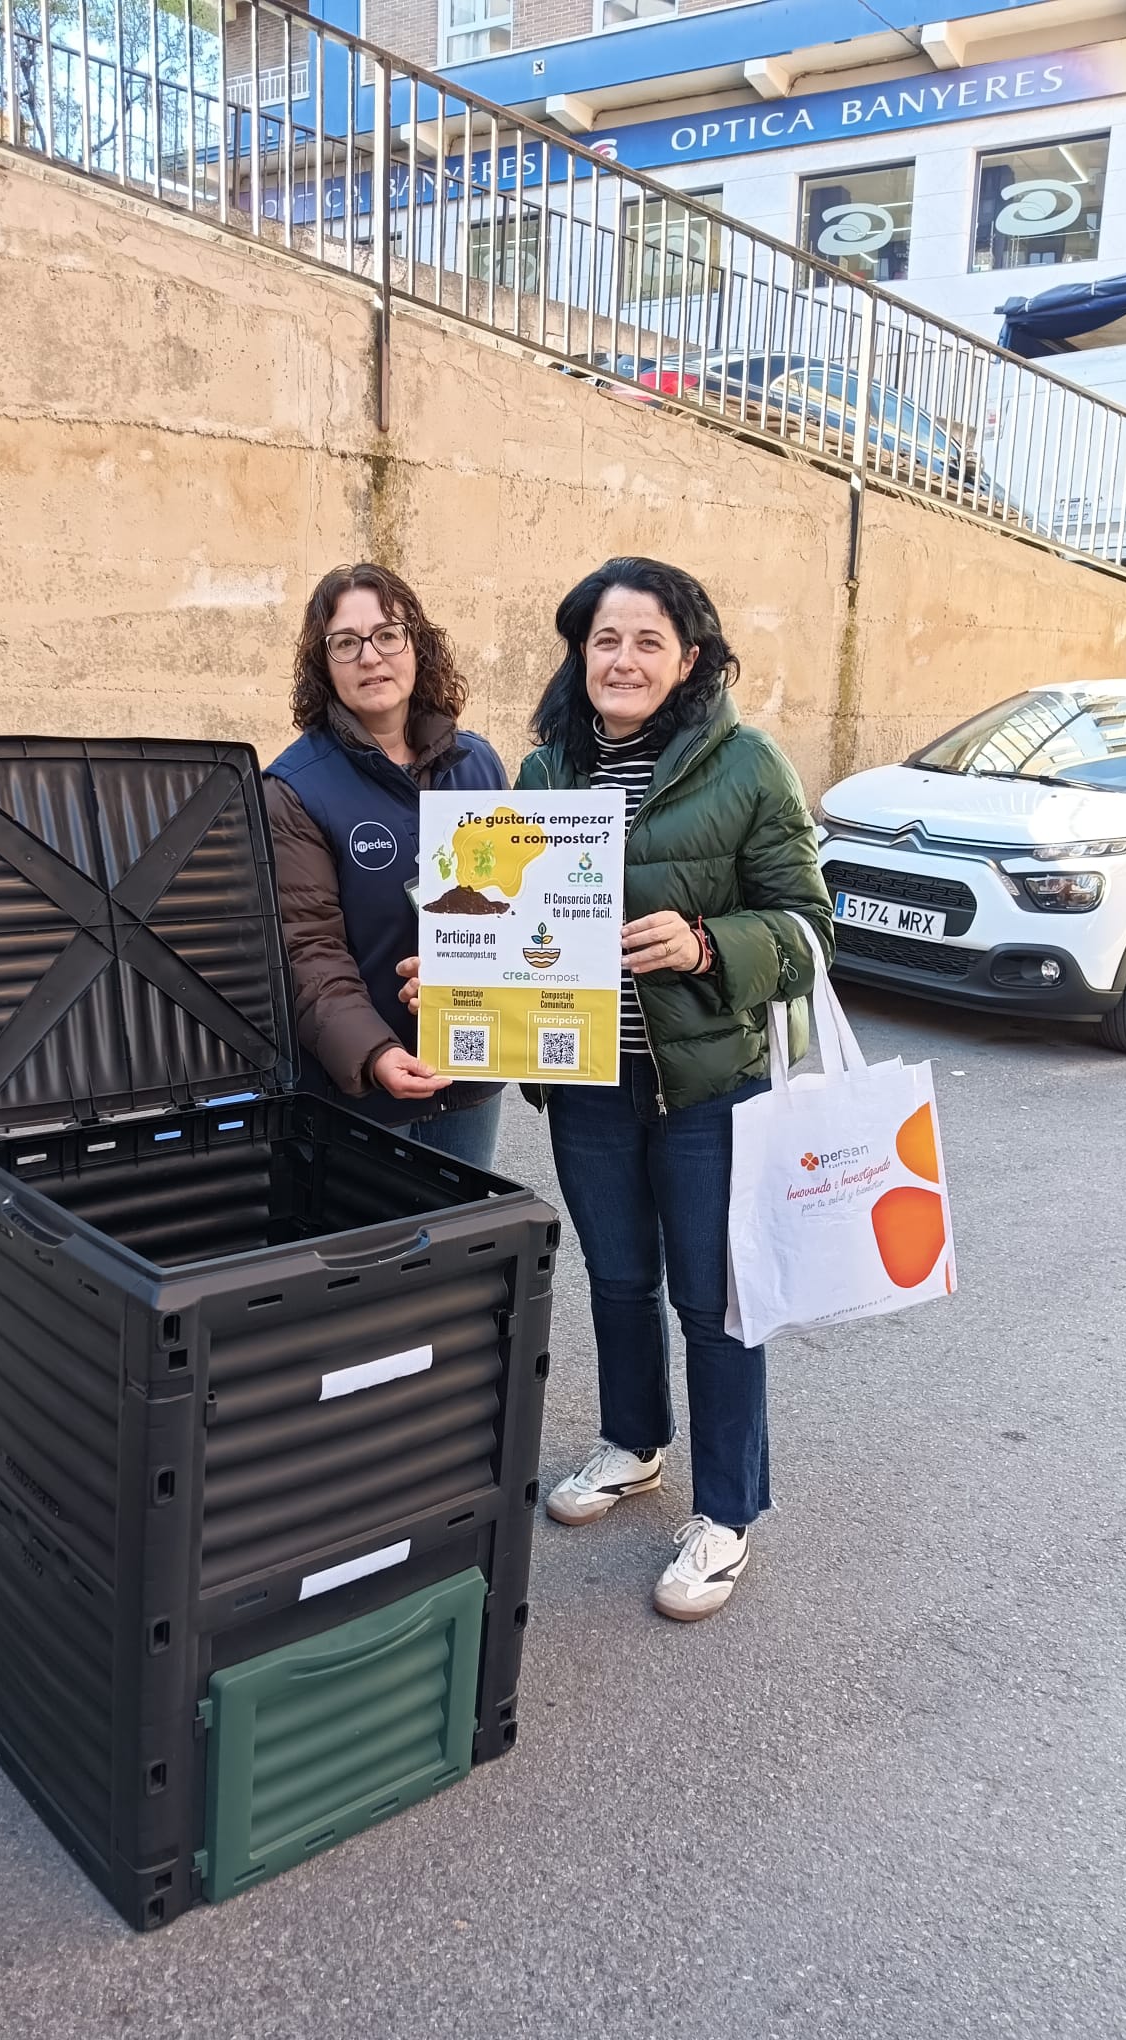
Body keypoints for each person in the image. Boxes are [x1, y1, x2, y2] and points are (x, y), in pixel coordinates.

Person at [403, 556, 833, 1620]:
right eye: (605, 640)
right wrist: (454, 969)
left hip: (705, 1090)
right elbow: (500, 914)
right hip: (588, 1084)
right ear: (580, 656)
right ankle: (635, 1443)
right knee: (618, 1278)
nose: (624, 659)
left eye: (648, 640)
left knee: (716, 1301)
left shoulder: (750, 768)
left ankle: (727, 1514)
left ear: (689, 658)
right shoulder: (547, 774)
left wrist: (703, 943)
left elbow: (810, 936)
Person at [264, 563, 506, 1168]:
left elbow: (514, 911)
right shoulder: (294, 789)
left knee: (468, 1250)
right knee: (377, 1254)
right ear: (324, 665)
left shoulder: (477, 765)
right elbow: (306, 947)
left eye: (388, 634)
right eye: (345, 643)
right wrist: (372, 1053)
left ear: (416, 644)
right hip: (362, 1091)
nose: (370, 657)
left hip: (468, 1078)